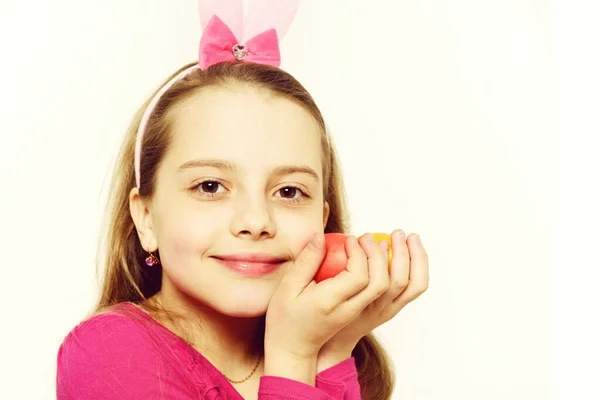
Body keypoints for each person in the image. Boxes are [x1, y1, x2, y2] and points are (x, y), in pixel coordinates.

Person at [56, 1, 429, 399]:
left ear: (323, 221)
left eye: (289, 192)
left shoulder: (333, 359)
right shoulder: (109, 350)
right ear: (146, 217)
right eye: (210, 186)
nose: (256, 220)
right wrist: (293, 355)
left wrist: (332, 353)